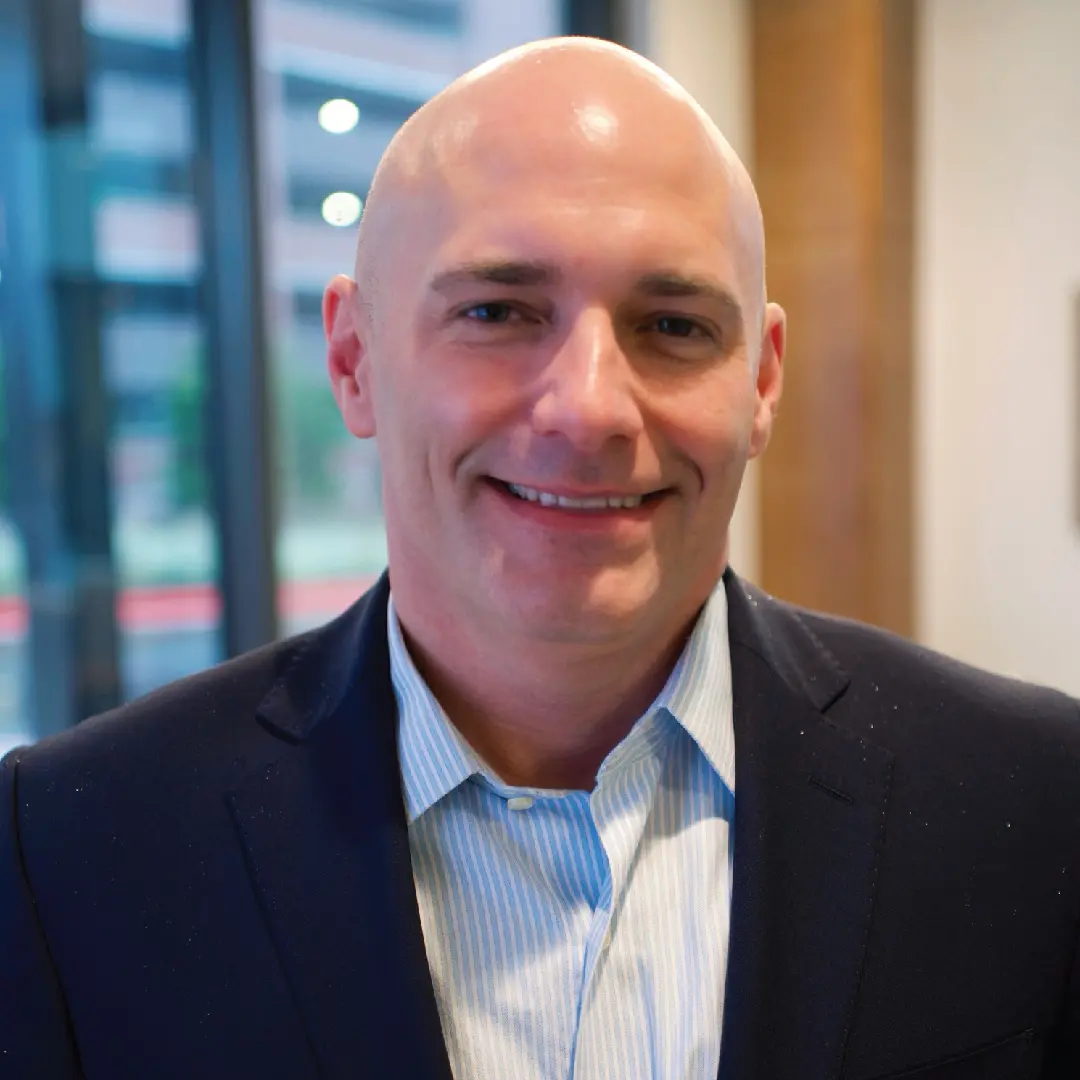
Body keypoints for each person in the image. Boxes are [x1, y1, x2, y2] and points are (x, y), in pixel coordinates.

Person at [1, 35, 1078, 1080]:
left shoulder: (1033, 802)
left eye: (674, 326)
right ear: (354, 358)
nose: (591, 407)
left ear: (761, 381)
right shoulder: (70, 851)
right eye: (498, 311)